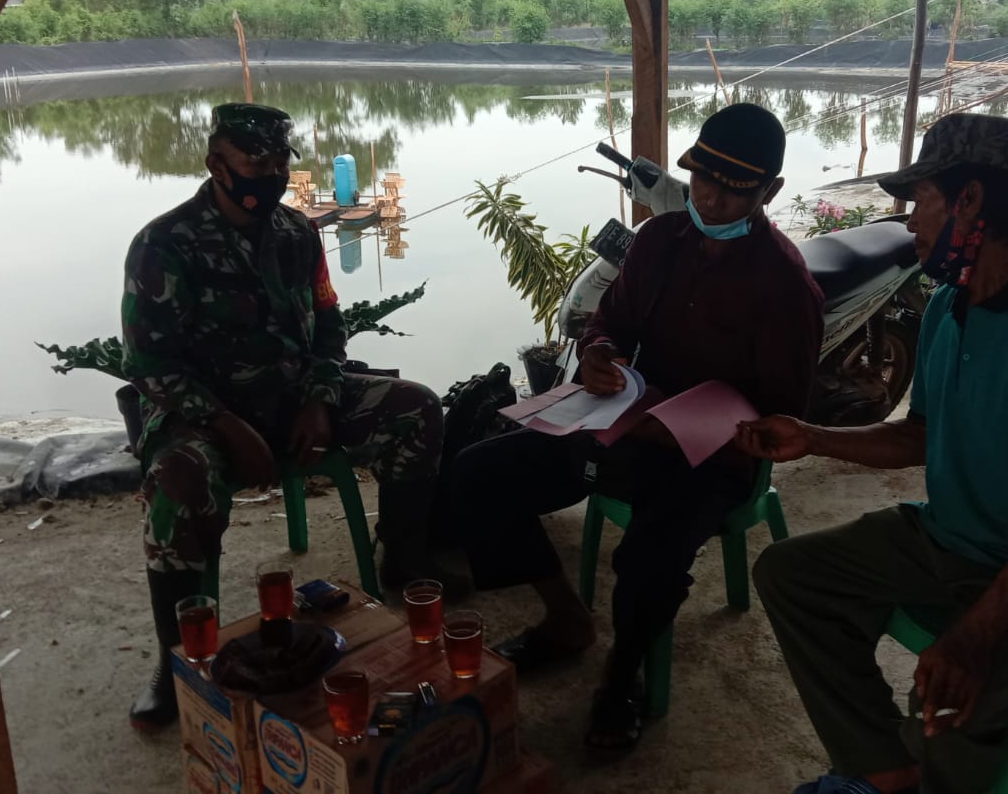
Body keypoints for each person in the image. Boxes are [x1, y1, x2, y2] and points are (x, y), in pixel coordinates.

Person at [738, 113, 1008, 794]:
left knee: (950, 697)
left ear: (970, 203)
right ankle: (885, 771)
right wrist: (813, 437)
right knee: (792, 574)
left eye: (921, 202)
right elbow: (918, 437)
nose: (910, 224)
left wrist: (975, 635)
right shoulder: (947, 307)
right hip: (951, 538)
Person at [452, 103, 824, 751]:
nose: (708, 197)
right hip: (623, 423)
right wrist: (598, 353)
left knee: (650, 557)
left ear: (771, 193)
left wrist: (682, 421)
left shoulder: (786, 286)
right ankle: (565, 618)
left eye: (733, 190)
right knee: (479, 475)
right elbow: (611, 325)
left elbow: (779, 415)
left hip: (714, 456)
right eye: (701, 178)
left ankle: (621, 677)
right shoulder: (658, 242)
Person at [121, 103, 465, 730]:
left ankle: (405, 560)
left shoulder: (296, 235)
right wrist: (229, 427)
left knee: (417, 408)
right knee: (176, 485)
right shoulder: (163, 245)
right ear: (216, 164)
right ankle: (175, 662)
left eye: (280, 161)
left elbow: (328, 325)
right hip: (203, 417)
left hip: (291, 399)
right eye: (257, 162)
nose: (271, 174)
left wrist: (319, 398)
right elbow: (148, 365)